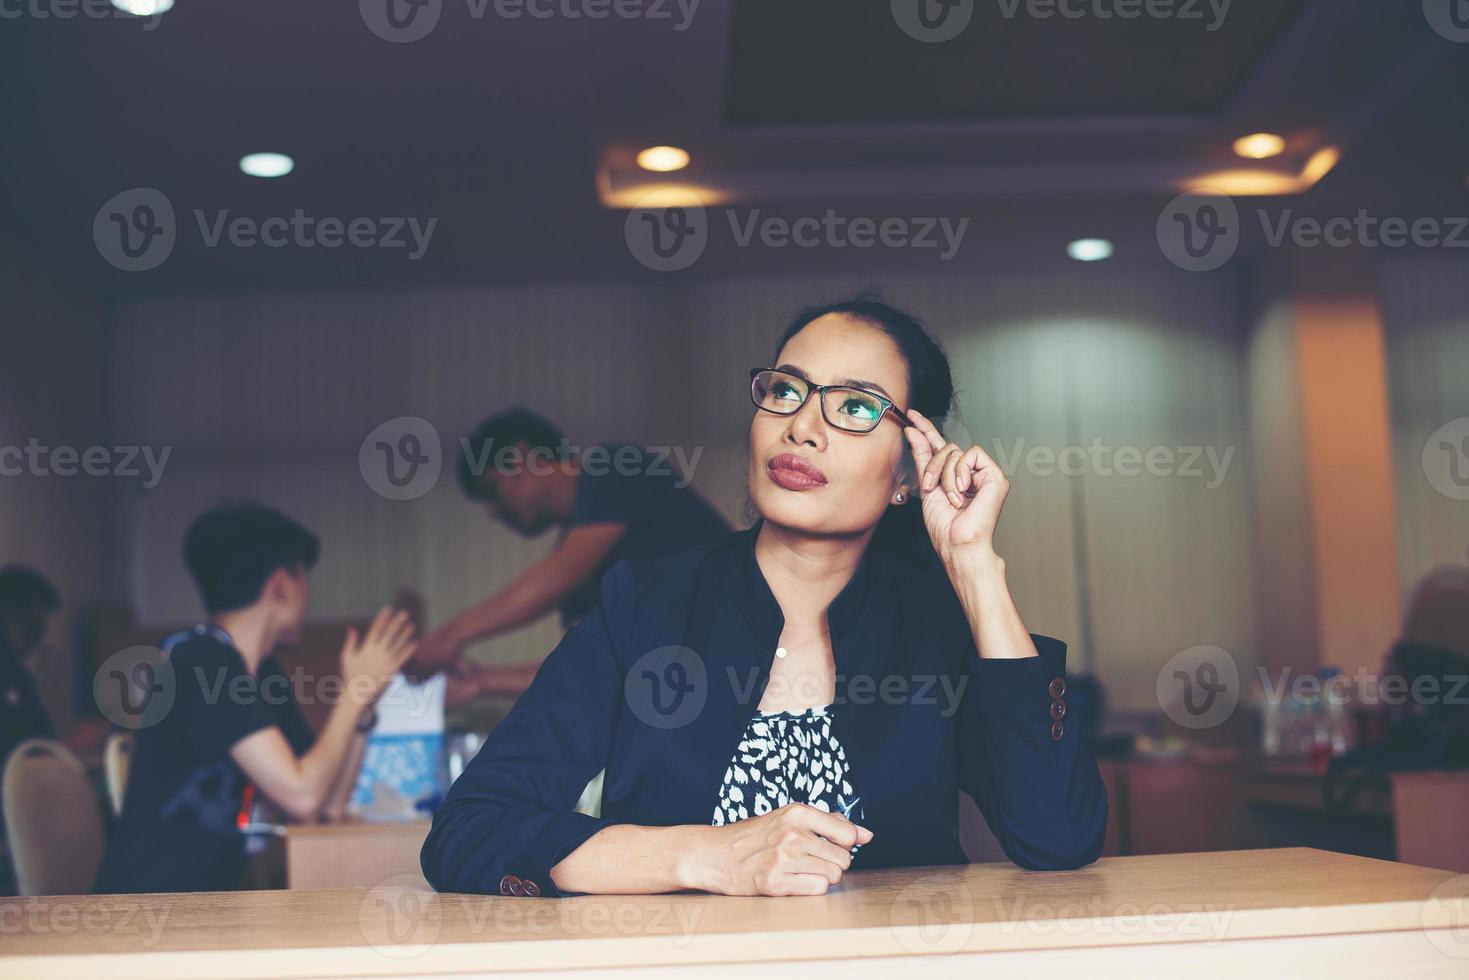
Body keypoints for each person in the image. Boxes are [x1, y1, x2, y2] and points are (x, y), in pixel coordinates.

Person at [420, 293, 1108, 898]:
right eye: (785, 391)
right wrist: (699, 855)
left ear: (906, 470)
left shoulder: (934, 624)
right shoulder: (644, 604)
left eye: (855, 407)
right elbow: (469, 829)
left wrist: (973, 567)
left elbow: (1057, 838)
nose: (801, 426)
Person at [93, 503, 417, 894]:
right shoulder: (198, 660)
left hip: (205, 908)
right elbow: (301, 795)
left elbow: (328, 802)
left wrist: (362, 710)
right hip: (150, 911)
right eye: (305, 579)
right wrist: (354, 691)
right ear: (281, 583)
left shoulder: (261, 675)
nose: (308, 595)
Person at [411, 409, 730, 701]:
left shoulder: (614, 467)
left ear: (520, 458)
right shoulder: (582, 563)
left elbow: (562, 575)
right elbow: (590, 670)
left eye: (492, 489)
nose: (493, 511)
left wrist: (451, 635)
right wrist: (483, 681)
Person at [0, 565, 109, 771]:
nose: (37, 640)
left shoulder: (19, 676)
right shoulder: (10, 676)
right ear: (7, 616)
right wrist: (76, 742)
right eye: (34, 627)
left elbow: (39, 739)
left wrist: (76, 738)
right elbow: (16, 756)